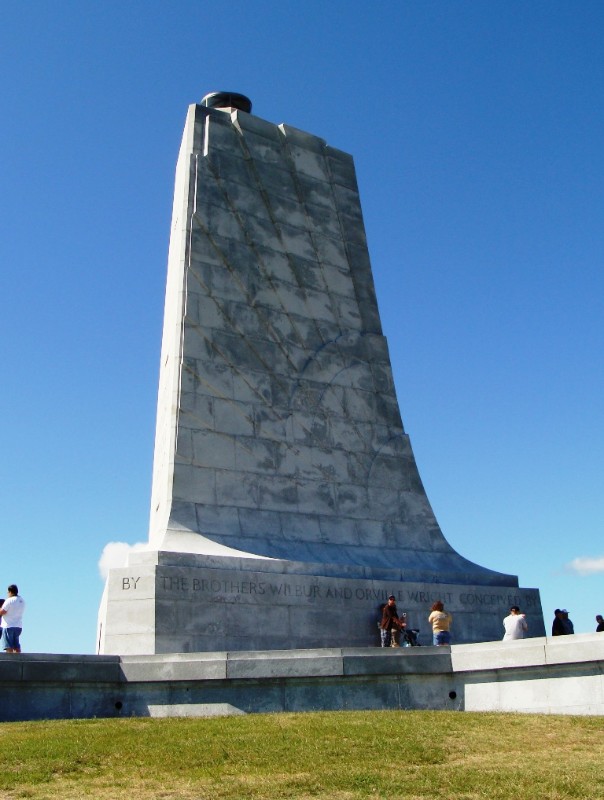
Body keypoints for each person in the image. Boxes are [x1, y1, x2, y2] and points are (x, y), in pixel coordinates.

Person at [0, 584, 25, 653]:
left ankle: (10, 658)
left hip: (8, 626)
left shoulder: (9, 600)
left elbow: (2, 612)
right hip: (18, 626)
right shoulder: (22, 600)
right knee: (16, 645)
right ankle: (18, 658)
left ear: (10, 591)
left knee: (8, 646)